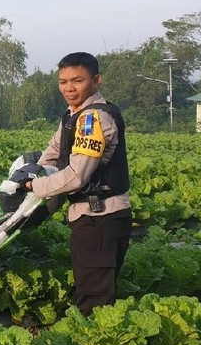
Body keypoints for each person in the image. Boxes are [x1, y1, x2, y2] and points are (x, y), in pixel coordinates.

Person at [22, 52, 131, 316]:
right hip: (91, 219)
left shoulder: (92, 120)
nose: (69, 88)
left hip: (101, 219)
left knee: (93, 301)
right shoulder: (75, 115)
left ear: (96, 80)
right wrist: (32, 170)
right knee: (89, 287)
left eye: (77, 81)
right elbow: (53, 151)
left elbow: (76, 176)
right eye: (63, 81)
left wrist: (32, 186)